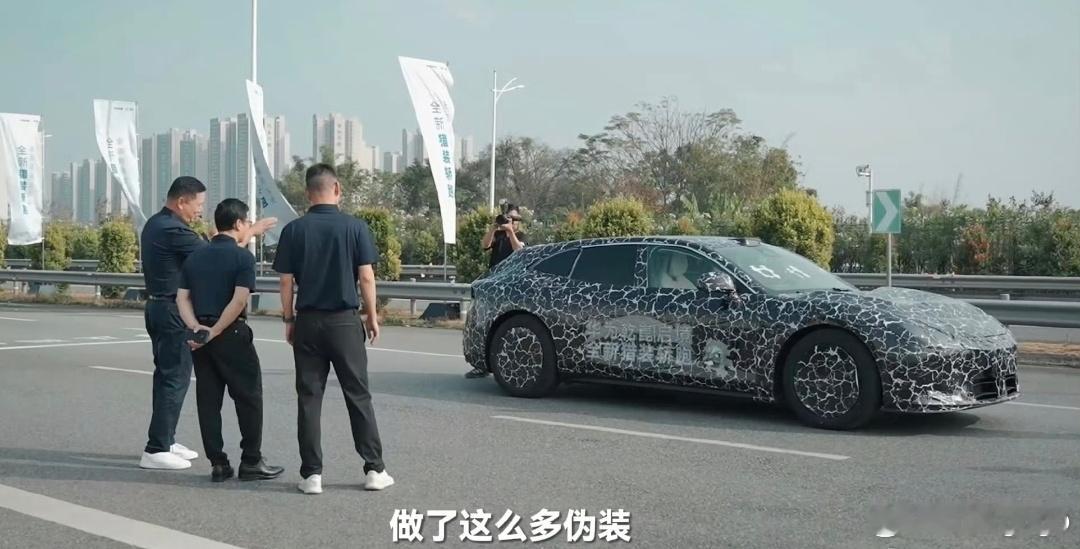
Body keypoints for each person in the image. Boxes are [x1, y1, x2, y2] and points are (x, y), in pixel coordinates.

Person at [138, 176, 275, 470]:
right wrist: (251, 232)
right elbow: (216, 255)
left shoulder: (156, 223)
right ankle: (156, 447)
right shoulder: (173, 230)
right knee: (174, 378)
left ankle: (165, 437)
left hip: (161, 307)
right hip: (171, 310)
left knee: (168, 377)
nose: (200, 210)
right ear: (181, 202)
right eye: (198, 204)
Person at [272, 163, 394, 495]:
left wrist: (289, 319)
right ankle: (374, 469)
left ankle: (312, 475)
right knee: (358, 395)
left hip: (308, 322)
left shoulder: (293, 230)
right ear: (337, 188)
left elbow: (285, 282)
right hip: (344, 321)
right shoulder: (355, 227)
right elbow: (366, 276)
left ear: (307, 193)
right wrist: (372, 316)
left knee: (309, 398)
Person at [176, 198, 284, 483]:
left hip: (200, 337)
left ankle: (218, 464)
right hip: (231, 334)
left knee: (208, 401)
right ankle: (251, 461)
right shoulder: (242, 258)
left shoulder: (195, 256)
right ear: (238, 223)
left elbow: (182, 298)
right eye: (247, 222)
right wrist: (216, 330)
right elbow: (238, 301)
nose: (248, 226)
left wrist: (197, 328)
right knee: (249, 398)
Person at [466, 203, 527, 379]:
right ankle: (480, 365)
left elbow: (520, 251)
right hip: (493, 285)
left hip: (512, 287)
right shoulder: (498, 235)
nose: (511, 221)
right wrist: (494, 228)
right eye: (508, 218)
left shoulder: (521, 236)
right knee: (483, 325)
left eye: (514, 219)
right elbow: (485, 245)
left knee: (508, 327)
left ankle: (512, 365)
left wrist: (510, 232)